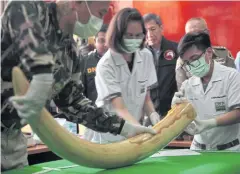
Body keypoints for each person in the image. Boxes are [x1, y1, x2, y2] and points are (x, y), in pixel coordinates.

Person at [1, 1, 155, 171]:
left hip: (12, 141)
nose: (99, 21)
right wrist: (42, 73)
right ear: (78, 3)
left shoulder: (70, 53)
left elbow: (73, 103)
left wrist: (122, 127)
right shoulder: (29, 11)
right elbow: (17, 12)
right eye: (100, 13)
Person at [85, 8, 160, 144]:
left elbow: (145, 96)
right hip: (109, 136)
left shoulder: (146, 56)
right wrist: (138, 129)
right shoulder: (106, 64)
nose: (134, 40)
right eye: (129, 35)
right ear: (118, 35)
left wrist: (153, 114)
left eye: (138, 35)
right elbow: (119, 108)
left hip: (135, 131)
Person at [172, 32, 240, 151]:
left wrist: (210, 123)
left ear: (208, 52)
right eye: (187, 62)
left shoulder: (231, 77)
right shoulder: (187, 85)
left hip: (229, 149)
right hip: (198, 149)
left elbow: (238, 113)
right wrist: (175, 109)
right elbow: (183, 118)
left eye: (194, 58)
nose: (191, 65)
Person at [176, 17, 236, 90]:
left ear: (207, 33)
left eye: (198, 34)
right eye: (189, 36)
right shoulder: (182, 61)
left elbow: (234, 83)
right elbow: (183, 92)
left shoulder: (223, 54)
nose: (193, 40)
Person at [143, 13, 178, 119]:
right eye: (145, 31)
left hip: (173, 112)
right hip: (150, 113)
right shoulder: (140, 54)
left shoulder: (176, 49)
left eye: (152, 29)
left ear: (161, 28)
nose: (149, 34)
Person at [81, 24, 109, 140]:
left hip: (116, 118)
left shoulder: (120, 60)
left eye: (107, 41)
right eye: (101, 41)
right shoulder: (86, 61)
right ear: (95, 42)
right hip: (93, 119)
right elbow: (81, 92)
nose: (105, 45)